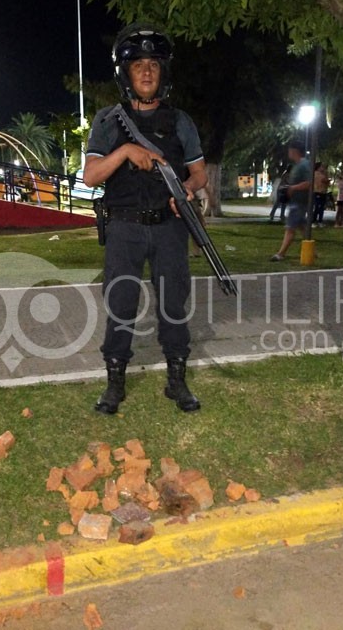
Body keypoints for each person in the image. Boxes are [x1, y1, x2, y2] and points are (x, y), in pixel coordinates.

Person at [83, 24, 208, 414]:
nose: (147, 71)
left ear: (163, 71)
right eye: (138, 64)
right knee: (120, 303)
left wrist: (187, 189)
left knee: (174, 303)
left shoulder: (180, 121)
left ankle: (177, 380)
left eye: (153, 63)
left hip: (169, 227)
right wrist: (124, 153)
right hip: (123, 227)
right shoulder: (107, 121)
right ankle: (114, 384)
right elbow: (90, 176)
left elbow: (199, 172)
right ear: (126, 72)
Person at [270, 139, 311, 261]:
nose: (288, 152)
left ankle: (281, 254)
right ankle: (312, 251)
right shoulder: (297, 165)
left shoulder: (304, 165)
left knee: (290, 228)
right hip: (295, 201)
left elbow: (309, 183)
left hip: (299, 202)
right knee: (302, 227)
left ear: (294, 151)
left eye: (289, 150)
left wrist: (293, 188)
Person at [312, 162, 330, 226]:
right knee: (318, 207)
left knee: (321, 207)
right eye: (322, 166)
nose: (323, 168)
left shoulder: (321, 174)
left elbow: (327, 183)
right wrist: (326, 175)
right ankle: (314, 221)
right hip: (318, 192)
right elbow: (325, 180)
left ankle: (320, 221)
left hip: (323, 192)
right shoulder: (317, 174)